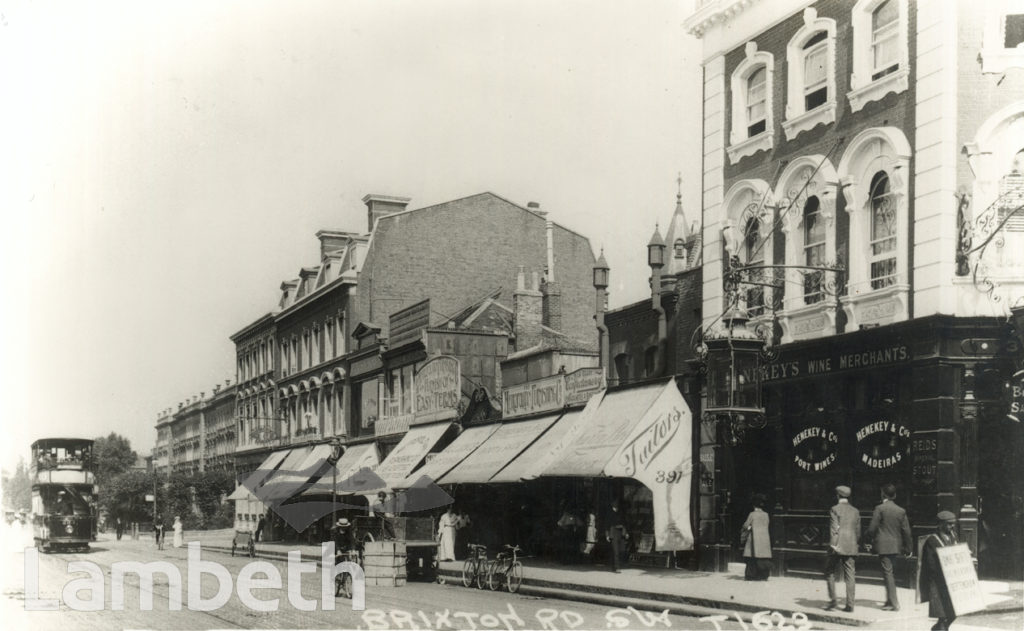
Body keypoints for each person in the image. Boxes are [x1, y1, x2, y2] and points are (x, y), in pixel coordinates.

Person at [864, 483, 912, 611]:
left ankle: (894, 604)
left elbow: (872, 528)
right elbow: (906, 531)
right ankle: (889, 601)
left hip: (883, 546)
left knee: (888, 573)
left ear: (883, 494)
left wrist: (867, 540)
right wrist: (909, 549)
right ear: (894, 495)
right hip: (896, 546)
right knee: (889, 572)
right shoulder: (901, 510)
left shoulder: (879, 508)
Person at [919, 511, 960, 631]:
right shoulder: (932, 541)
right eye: (949, 524)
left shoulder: (954, 536)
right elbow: (930, 565)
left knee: (953, 614)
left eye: (953, 524)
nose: (952, 526)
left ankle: (937, 629)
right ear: (940, 524)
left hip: (951, 583)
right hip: (938, 584)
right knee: (942, 617)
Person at [824, 485, 860, 612]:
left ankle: (833, 602)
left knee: (829, 572)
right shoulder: (855, 511)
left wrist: (833, 546)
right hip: (851, 545)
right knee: (850, 575)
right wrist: (855, 543)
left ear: (838, 496)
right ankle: (850, 605)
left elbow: (834, 530)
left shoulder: (834, 509)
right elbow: (858, 531)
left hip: (837, 545)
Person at [740, 493, 772, 581]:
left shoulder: (752, 514)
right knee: (763, 557)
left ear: (754, 505)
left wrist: (750, 528)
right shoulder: (766, 515)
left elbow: (746, 526)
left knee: (752, 557)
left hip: (754, 539)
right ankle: (763, 575)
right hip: (764, 540)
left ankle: (751, 576)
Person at [605, 501, 629, 573]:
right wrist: (607, 535)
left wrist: (626, 533)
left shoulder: (621, 513)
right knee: (616, 551)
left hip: (620, 532)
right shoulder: (609, 514)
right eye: (615, 505)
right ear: (612, 505)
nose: (616, 506)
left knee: (622, 550)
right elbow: (607, 525)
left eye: (617, 505)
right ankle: (617, 567)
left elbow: (624, 523)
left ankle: (614, 565)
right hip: (613, 532)